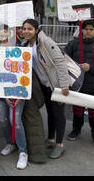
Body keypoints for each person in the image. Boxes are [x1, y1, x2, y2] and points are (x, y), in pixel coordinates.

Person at [21, 19, 70, 159]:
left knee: (58, 114)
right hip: (44, 85)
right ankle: (51, 139)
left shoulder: (45, 42)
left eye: (29, 29)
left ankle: (60, 144)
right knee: (50, 112)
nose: (26, 31)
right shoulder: (26, 45)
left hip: (55, 85)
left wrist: (64, 85)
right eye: (24, 29)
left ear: (36, 30)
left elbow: (60, 61)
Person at [64, 20, 94, 147]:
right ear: (82, 29)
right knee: (77, 110)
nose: (88, 31)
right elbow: (63, 59)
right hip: (77, 85)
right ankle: (76, 130)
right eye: (86, 29)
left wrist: (90, 67)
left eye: (91, 29)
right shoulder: (73, 44)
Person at [0, 25, 29, 170]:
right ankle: (10, 143)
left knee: (15, 120)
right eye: (0, 34)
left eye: (6, 34)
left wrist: (20, 93)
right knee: (3, 120)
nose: (3, 37)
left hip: (19, 92)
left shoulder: (21, 49)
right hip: (2, 93)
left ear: (11, 35)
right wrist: (3, 93)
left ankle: (23, 151)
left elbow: (26, 73)